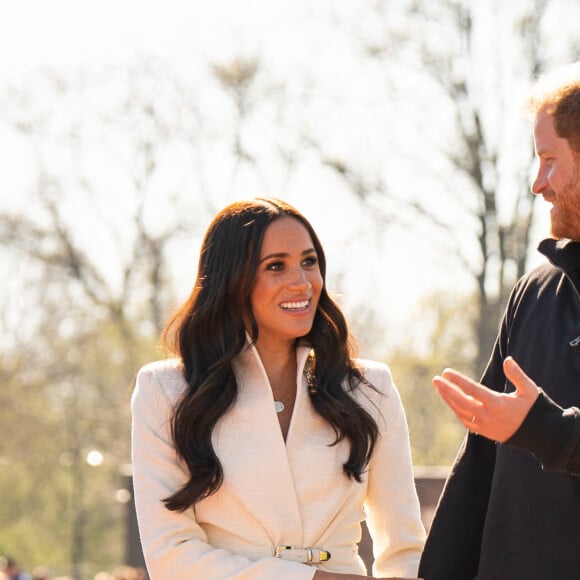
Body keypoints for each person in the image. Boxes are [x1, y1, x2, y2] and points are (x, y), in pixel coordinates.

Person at [131, 197, 425, 579]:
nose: (301, 283)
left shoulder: (370, 389)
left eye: (309, 261)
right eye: (275, 266)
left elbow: (405, 550)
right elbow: (170, 556)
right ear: (232, 279)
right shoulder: (165, 391)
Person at [419, 61, 580, 580]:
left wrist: (548, 432)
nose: (539, 184)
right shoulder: (532, 294)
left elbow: (539, 432)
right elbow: (478, 466)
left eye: (550, 160)